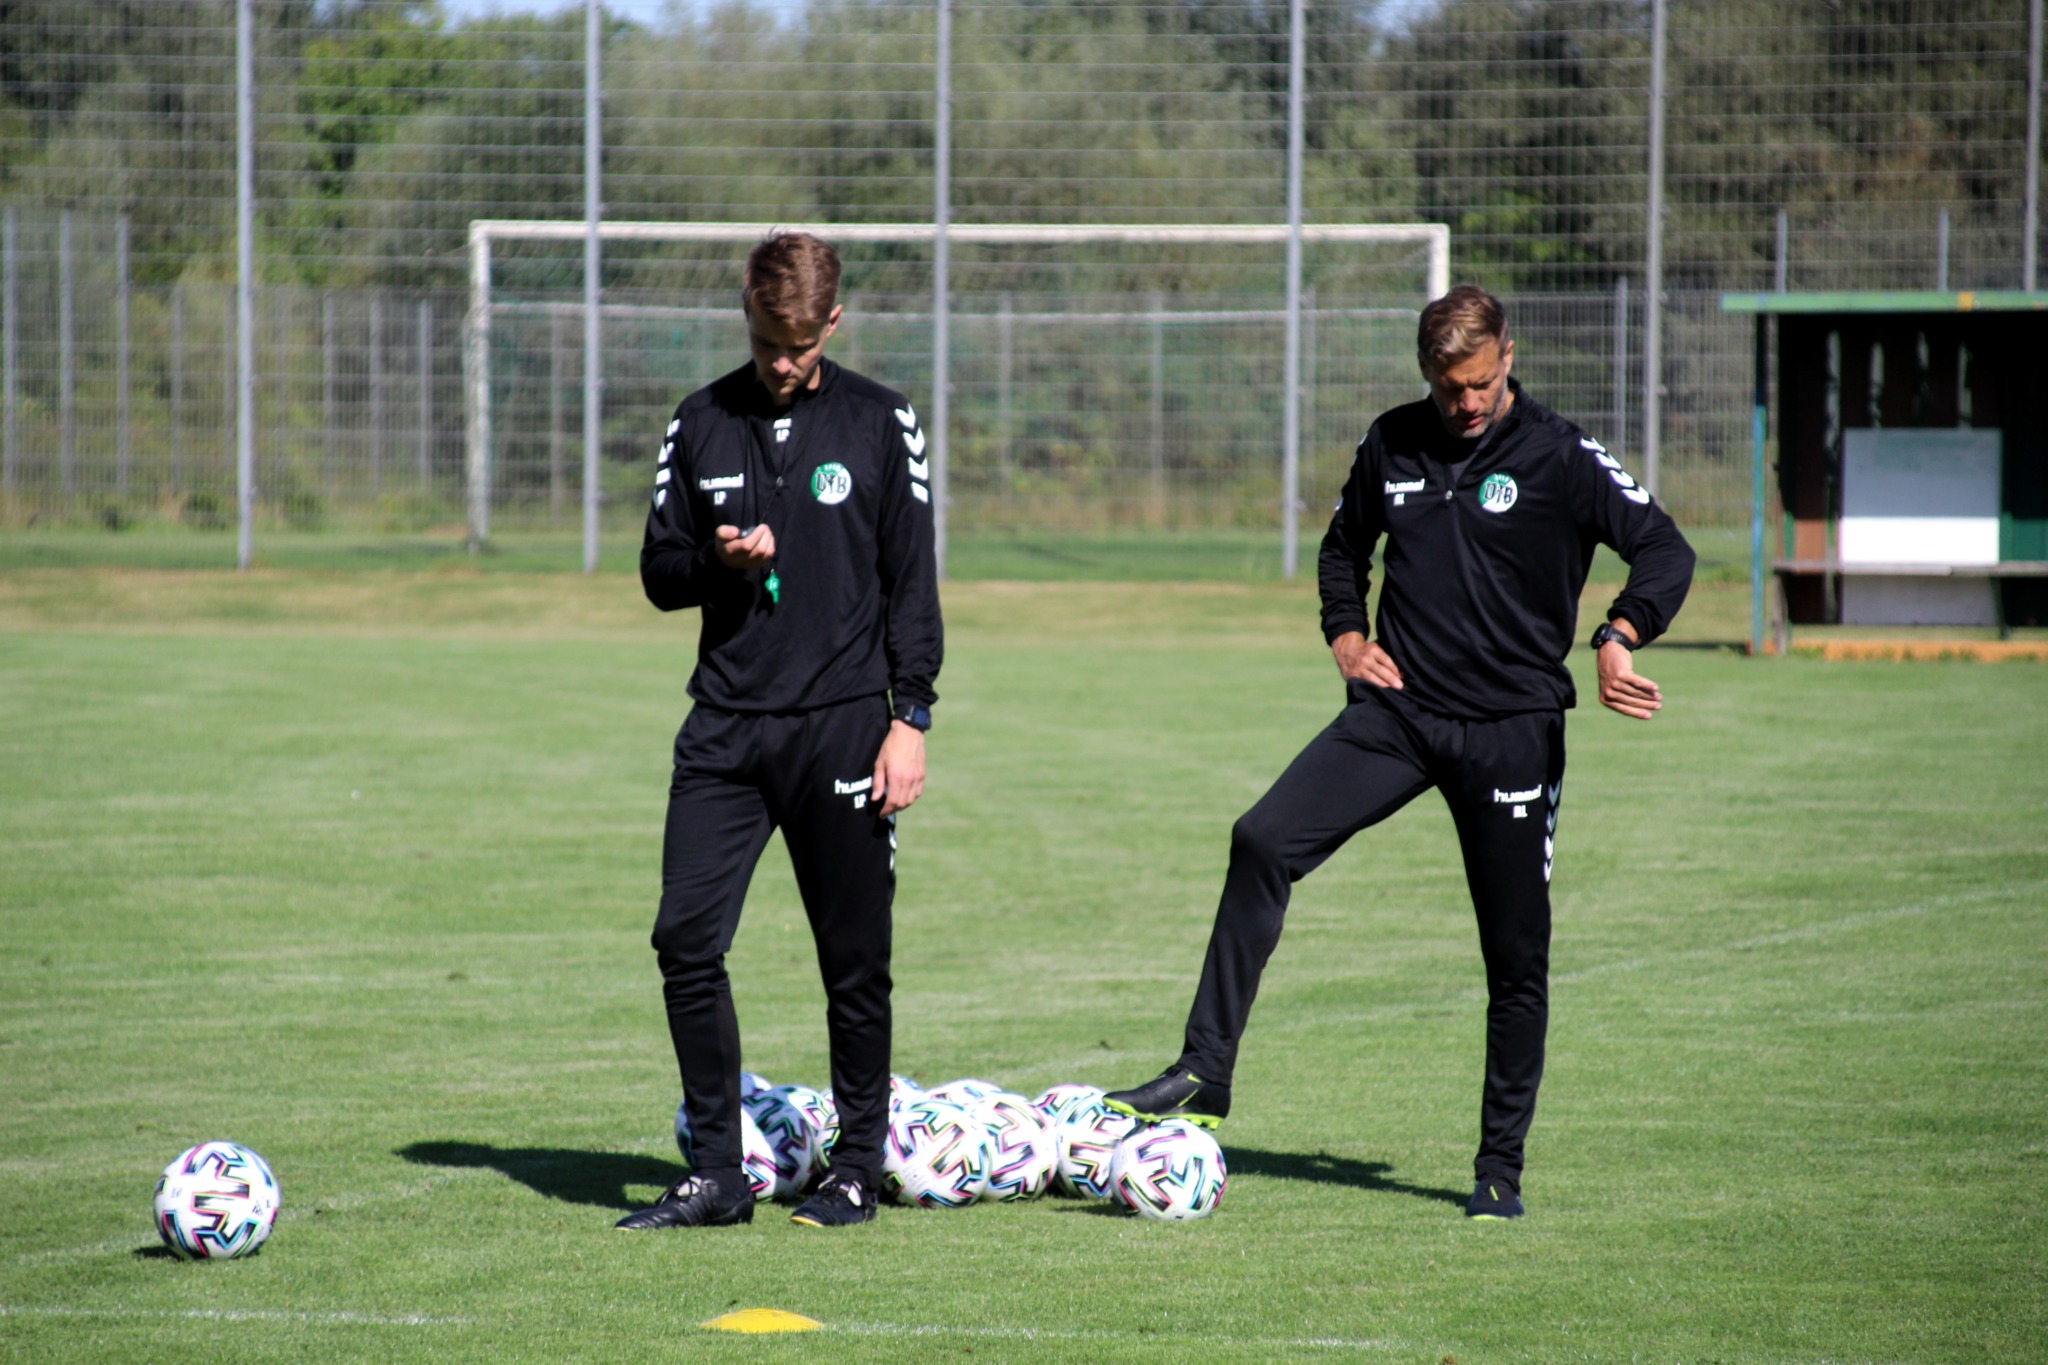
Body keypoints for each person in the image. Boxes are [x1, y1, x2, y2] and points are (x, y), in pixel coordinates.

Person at [1104, 285, 1694, 1220]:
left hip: (1511, 733)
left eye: (1482, 382)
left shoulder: (1560, 453)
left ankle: (1498, 1167)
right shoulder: (1391, 441)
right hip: (1398, 712)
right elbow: (1345, 551)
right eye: (1450, 385)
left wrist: (1622, 630)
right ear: (1427, 373)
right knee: (1262, 839)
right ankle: (1206, 1067)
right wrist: (1345, 635)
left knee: (1515, 959)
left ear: (1508, 356)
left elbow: (1663, 547)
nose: (1466, 403)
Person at [615, 231, 941, 1231]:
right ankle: (717, 1174)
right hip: (724, 729)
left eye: (798, 346)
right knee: (684, 938)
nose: (782, 364)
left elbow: (911, 584)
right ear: (747, 322)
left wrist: (910, 717)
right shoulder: (700, 421)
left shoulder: (883, 422)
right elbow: (657, 575)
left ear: (831, 323)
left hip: (843, 727)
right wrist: (715, 560)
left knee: (852, 958)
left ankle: (854, 1169)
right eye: (766, 345)